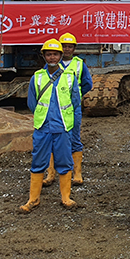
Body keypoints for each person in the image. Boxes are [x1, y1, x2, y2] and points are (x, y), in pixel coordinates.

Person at [20, 38, 80, 213]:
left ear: (60, 56)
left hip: (62, 128)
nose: (52, 57)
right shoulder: (37, 77)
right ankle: (33, 199)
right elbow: (32, 103)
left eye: (55, 54)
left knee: (65, 162)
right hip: (43, 127)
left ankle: (66, 198)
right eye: (49, 54)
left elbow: (75, 102)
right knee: (38, 161)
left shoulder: (69, 77)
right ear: (44, 56)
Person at [42, 33, 93, 187]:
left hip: (73, 109)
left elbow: (87, 84)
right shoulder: (51, 65)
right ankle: (51, 173)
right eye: (64, 46)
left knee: (74, 139)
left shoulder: (79, 64)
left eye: (70, 46)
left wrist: (76, 96)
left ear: (74, 48)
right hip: (54, 109)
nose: (67, 49)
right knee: (52, 139)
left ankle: (77, 173)